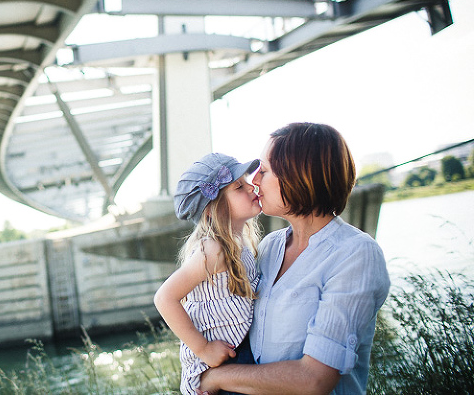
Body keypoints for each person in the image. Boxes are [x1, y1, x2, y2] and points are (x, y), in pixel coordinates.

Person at [199, 123, 391, 395]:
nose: (254, 181)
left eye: (263, 171)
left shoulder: (355, 254)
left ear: (299, 176)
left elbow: (314, 380)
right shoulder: (270, 247)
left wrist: (217, 378)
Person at [154, 153, 262, 395]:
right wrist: (203, 349)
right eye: (239, 187)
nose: (251, 186)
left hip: (238, 348)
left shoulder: (240, 242)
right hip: (221, 358)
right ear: (213, 209)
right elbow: (164, 298)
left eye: (247, 181)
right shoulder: (213, 249)